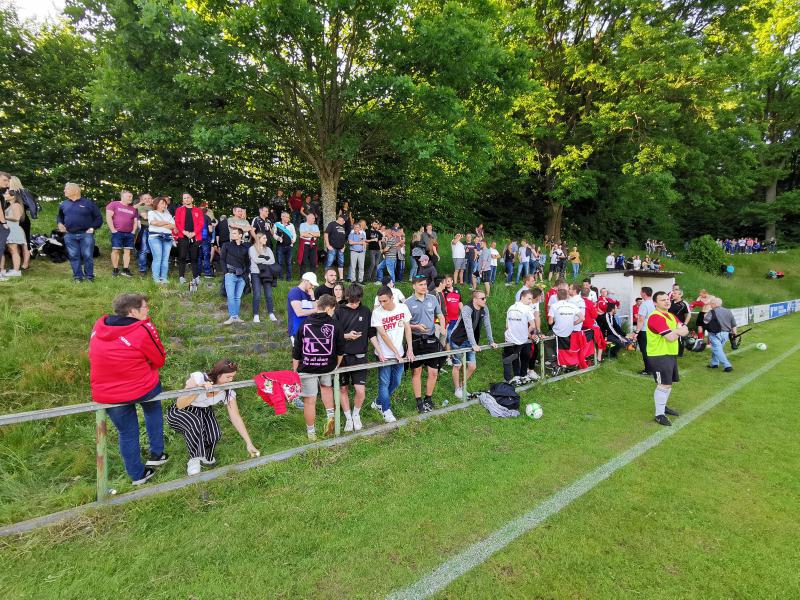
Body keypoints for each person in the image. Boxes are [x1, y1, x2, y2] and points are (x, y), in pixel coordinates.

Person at [89, 293, 168, 485]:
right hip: (142, 388)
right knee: (153, 408)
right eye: (145, 308)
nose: (148, 310)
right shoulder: (142, 329)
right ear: (133, 311)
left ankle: (137, 475)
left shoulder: (98, 327)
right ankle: (157, 453)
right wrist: (146, 363)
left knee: (127, 432)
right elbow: (159, 359)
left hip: (107, 393)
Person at [169, 359, 260, 475]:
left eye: (233, 377)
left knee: (214, 434)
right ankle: (194, 459)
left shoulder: (228, 390)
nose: (231, 380)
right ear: (218, 374)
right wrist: (198, 389)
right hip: (183, 411)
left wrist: (249, 443)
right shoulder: (199, 378)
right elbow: (180, 404)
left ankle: (205, 456)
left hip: (204, 411)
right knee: (195, 423)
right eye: (228, 377)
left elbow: (235, 417)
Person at [293, 294, 345, 441]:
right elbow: (341, 350)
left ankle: (311, 433)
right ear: (328, 309)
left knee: (310, 401)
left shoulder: (304, 324)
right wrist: (335, 365)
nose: (333, 313)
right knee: (327, 389)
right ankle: (330, 418)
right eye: (333, 310)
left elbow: (296, 351)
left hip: (307, 368)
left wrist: (295, 371)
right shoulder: (335, 325)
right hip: (327, 366)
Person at [335, 284, 381, 431]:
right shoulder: (339, 311)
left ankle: (356, 414)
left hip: (360, 356)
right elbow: (333, 334)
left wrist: (379, 350)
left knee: (360, 390)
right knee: (343, 388)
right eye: (352, 301)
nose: (354, 304)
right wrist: (347, 336)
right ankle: (348, 418)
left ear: (361, 298)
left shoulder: (365, 311)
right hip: (342, 357)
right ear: (347, 297)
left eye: (357, 301)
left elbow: (371, 333)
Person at [371, 285, 414, 422]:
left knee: (396, 381)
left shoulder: (403, 308)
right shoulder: (377, 313)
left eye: (385, 301)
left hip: (400, 353)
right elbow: (383, 334)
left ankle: (379, 402)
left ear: (392, 298)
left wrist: (410, 349)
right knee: (384, 382)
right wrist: (395, 352)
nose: (382, 304)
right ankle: (386, 410)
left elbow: (407, 328)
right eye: (380, 301)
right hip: (384, 354)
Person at [646, 291, 688, 426]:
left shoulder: (671, 315)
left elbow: (686, 329)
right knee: (663, 384)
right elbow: (670, 338)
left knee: (668, 383)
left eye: (667, 299)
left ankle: (663, 407)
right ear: (655, 303)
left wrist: (675, 331)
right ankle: (659, 415)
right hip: (658, 355)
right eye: (662, 300)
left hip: (670, 354)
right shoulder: (655, 317)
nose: (667, 302)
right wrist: (677, 331)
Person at [406, 276, 445, 413]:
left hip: (431, 340)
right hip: (416, 340)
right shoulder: (407, 303)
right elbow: (404, 325)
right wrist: (416, 327)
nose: (424, 287)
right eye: (420, 284)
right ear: (414, 286)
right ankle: (419, 401)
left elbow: (440, 315)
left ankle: (428, 398)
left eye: (425, 284)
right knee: (417, 371)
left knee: (433, 372)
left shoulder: (432, 299)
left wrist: (443, 327)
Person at [449, 289, 497, 399]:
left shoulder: (484, 308)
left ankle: (462, 386)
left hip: (470, 341)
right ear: (475, 299)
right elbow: (468, 327)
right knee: (458, 365)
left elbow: (487, 324)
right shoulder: (467, 309)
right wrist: (474, 344)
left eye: (485, 298)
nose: (485, 300)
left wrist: (491, 341)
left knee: (472, 366)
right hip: (458, 339)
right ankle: (457, 389)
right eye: (482, 298)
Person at [57, 182, 103, 282]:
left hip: (86, 235)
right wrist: (60, 224)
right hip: (69, 235)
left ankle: (89, 277)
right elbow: (60, 216)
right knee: (73, 256)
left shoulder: (88, 203)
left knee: (87, 256)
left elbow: (99, 218)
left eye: (66, 189)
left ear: (75, 191)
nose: (64, 191)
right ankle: (78, 277)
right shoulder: (64, 204)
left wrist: (92, 228)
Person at [503, 289, 539, 382]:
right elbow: (533, 325)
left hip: (510, 337)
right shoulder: (527, 309)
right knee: (525, 355)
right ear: (522, 297)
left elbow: (507, 326)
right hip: (522, 338)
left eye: (531, 299)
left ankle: (517, 376)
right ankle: (522, 375)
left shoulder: (511, 307)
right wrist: (526, 332)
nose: (530, 301)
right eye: (529, 298)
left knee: (515, 356)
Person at [106, 190, 139, 277]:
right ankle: (115, 269)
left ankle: (125, 269)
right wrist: (113, 230)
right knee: (116, 250)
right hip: (117, 232)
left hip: (129, 233)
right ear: (122, 197)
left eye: (132, 197)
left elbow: (135, 221)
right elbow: (108, 217)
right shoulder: (114, 204)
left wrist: (133, 231)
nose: (131, 198)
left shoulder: (133, 209)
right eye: (129, 196)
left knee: (127, 251)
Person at [221, 227, 250, 325]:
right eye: (232, 233)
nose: (232, 234)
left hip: (241, 276)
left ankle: (236, 316)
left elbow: (247, 262)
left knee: (238, 297)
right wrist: (226, 272)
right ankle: (232, 316)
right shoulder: (226, 245)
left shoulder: (245, 248)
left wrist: (246, 273)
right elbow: (222, 259)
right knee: (231, 297)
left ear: (240, 235)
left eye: (234, 233)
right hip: (230, 274)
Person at [174, 193, 204, 285]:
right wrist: (185, 232)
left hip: (195, 237)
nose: (186, 199)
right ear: (183, 200)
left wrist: (193, 233)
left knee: (194, 257)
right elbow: (177, 222)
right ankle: (181, 277)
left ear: (192, 199)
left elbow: (201, 223)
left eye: (188, 197)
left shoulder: (198, 210)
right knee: (182, 257)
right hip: (183, 236)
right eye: (184, 198)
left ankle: (196, 277)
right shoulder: (179, 210)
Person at [249, 232, 278, 323]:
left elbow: (272, 260)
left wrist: (262, 259)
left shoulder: (268, 249)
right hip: (255, 273)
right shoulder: (252, 248)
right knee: (257, 294)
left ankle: (271, 313)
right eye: (264, 238)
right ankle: (256, 315)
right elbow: (256, 260)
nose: (266, 239)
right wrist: (266, 258)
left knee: (269, 294)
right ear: (259, 239)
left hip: (266, 273)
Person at [146, 196, 176, 284]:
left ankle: (164, 278)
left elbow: (173, 226)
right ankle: (156, 279)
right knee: (157, 258)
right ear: (157, 204)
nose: (164, 205)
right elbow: (154, 223)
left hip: (168, 238)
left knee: (165, 259)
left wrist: (160, 224)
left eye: (165, 203)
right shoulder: (151, 213)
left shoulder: (168, 215)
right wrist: (167, 223)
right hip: (155, 237)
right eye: (162, 203)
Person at [704, 297, 737, 372]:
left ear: (714, 304)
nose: (710, 305)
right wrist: (734, 334)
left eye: (711, 303)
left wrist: (705, 314)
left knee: (717, 349)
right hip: (726, 334)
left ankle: (727, 366)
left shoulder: (712, 312)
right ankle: (714, 363)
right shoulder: (728, 311)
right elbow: (734, 324)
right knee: (717, 349)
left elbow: (705, 321)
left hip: (715, 334)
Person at [288, 272, 318, 345]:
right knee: (299, 352)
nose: (313, 287)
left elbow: (316, 308)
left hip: (308, 329)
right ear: (305, 281)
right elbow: (299, 313)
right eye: (311, 284)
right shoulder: (295, 292)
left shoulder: (309, 293)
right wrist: (316, 310)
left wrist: (313, 297)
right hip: (297, 330)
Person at [1, 189, 25, 277]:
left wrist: (3, 217)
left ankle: (16, 271)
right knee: (12, 250)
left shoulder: (15, 205)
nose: (4, 195)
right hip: (11, 229)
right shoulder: (12, 205)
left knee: (13, 250)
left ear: (13, 196)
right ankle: (15, 269)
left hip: (13, 230)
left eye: (6, 194)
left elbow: (16, 218)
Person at [634, 287, 655, 375]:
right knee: (652, 350)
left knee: (645, 351)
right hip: (652, 330)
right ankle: (653, 368)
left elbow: (641, 320)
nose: (640, 293)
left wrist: (636, 332)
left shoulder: (644, 304)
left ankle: (648, 370)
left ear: (644, 293)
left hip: (644, 330)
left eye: (641, 292)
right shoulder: (654, 303)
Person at [273, 211, 297, 280]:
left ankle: (289, 278)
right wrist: (278, 238)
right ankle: (280, 278)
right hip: (280, 246)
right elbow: (273, 234)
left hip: (289, 246)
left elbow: (294, 234)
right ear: (282, 217)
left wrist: (293, 240)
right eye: (286, 217)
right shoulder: (277, 224)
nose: (288, 218)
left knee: (289, 263)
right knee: (279, 262)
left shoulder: (291, 225)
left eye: (288, 217)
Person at [134, 193, 154, 275]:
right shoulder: (141, 207)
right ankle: (142, 269)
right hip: (145, 229)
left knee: (154, 250)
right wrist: (159, 217)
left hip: (156, 230)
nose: (147, 200)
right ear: (142, 200)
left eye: (149, 198)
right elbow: (145, 217)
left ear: (152, 199)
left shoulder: (156, 207)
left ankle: (152, 266)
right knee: (144, 250)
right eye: (145, 198)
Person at [668, 288, 691, 357]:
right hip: (669, 323)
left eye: (675, 293)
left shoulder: (684, 304)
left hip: (679, 324)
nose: (673, 294)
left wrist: (685, 324)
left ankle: (679, 354)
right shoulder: (669, 302)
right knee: (669, 337)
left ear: (680, 295)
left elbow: (688, 314)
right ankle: (670, 351)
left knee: (679, 338)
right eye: (673, 293)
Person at [324, 214, 348, 279]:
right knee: (329, 262)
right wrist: (328, 245)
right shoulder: (332, 224)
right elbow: (326, 234)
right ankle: (327, 277)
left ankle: (341, 278)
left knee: (341, 263)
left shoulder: (343, 226)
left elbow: (343, 237)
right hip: (332, 247)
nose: (344, 222)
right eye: (343, 220)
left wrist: (344, 246)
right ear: (340, 218)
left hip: (341, 248)